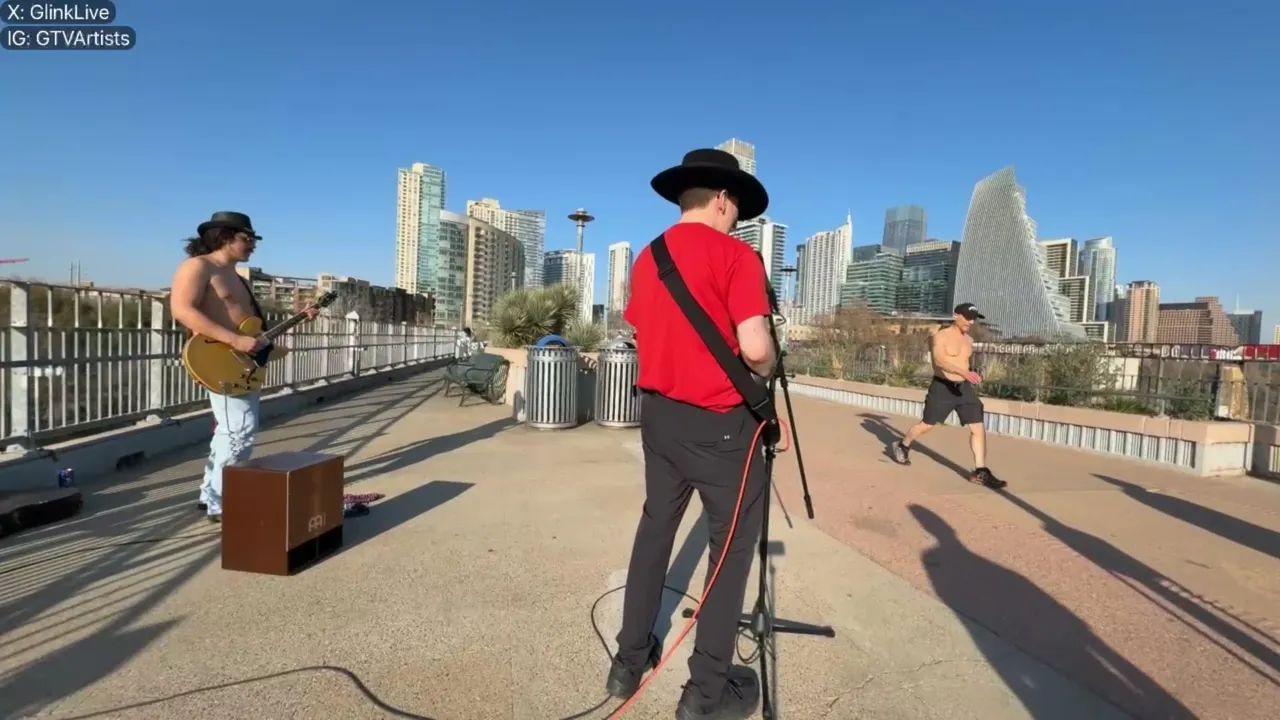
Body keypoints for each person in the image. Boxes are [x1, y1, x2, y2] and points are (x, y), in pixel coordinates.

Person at [606, 148, 778, 720]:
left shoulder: (648, 256)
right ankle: (705, 693)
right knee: (728, 553)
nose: (738, 218)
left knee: (655, 528)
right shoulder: (737, 256)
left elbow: (648, 331)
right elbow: (755, 349)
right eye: (738, 207)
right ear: (724, 200)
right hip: (722, 427)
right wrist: (770, 365)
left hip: (658, 418)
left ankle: (628, 661)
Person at [169, 211, 317, 523]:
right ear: (224, 236)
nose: (253, 244)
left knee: (230, 430)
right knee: (239, 430)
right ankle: (222, 504)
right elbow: (182, 310)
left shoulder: (238, 279)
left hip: (242, 363)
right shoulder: (198, 267)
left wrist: (299, 317)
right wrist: (234, 341)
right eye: (246, 238)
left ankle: (210, 494)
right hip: (219, 358)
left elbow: (252, 328)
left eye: (253, 239)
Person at [890, 303, 1006, 489]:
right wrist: (964, 372)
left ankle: (980, 471)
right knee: (927, 425)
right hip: (942, 388)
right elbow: (940, 361)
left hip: (964, 388)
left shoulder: (969, 340)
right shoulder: (941, 336)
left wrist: (968, 375)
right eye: (967, 317)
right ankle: (903, 445)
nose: (971, 322)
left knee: (977, 427)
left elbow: (962, 362)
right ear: (955, 315)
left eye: (973, 318)